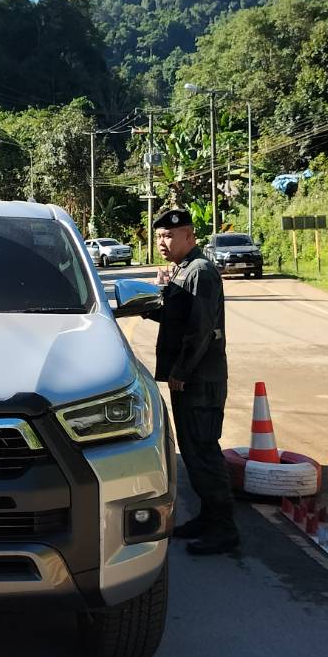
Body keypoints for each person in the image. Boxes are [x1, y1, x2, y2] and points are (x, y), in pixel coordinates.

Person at [145, 207, 239, 555]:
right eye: (159, 236)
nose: (162, 242)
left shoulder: (200, 271)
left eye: (169, 236)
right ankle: (208, 518)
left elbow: (200, 329)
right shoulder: (184, 270)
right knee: (194, 452)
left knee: (204, 451)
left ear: (189, 236)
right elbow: (177, 318)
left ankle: (224, 528)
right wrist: (150, 302)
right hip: (191, 379)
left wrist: (181, 371)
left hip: (199, 379)